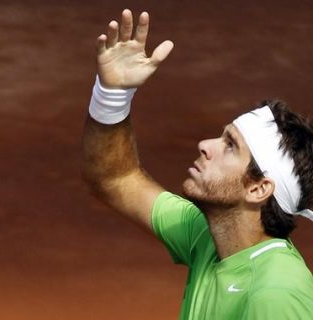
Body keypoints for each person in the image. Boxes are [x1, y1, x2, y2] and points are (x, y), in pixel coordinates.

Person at [81, 9, 313, 319]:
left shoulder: (275, 295)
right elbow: (114, 178)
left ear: (258, 188)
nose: (205, 145)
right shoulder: (209, 237)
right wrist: (112, 95)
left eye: (230, 145)